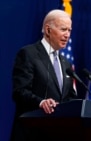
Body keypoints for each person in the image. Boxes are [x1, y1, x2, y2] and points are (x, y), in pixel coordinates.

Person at [11, 9, 77, 141]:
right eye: (63, 29)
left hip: (56, 134)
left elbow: (69, 98)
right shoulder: (28, 54)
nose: (67, 35)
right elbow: (19, 92)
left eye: (69, 30)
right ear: (48, 30)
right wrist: (41, 102)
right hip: (30, 133)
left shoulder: (66, 64)